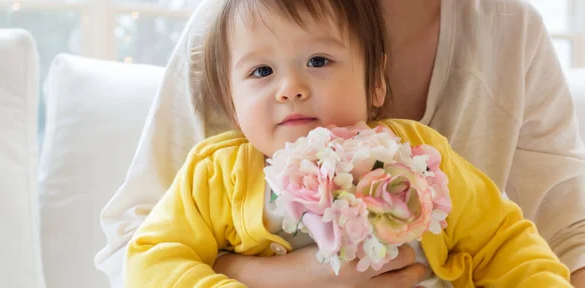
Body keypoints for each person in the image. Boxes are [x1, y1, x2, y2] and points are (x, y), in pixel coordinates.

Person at [95, 0, 585, 287]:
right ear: (230, 103)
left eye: (320, 61)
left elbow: (504, 240)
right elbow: (148, 256)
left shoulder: (421, 155)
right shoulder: (217, 174)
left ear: (378, 84)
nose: (289, 87)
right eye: (261, 72)